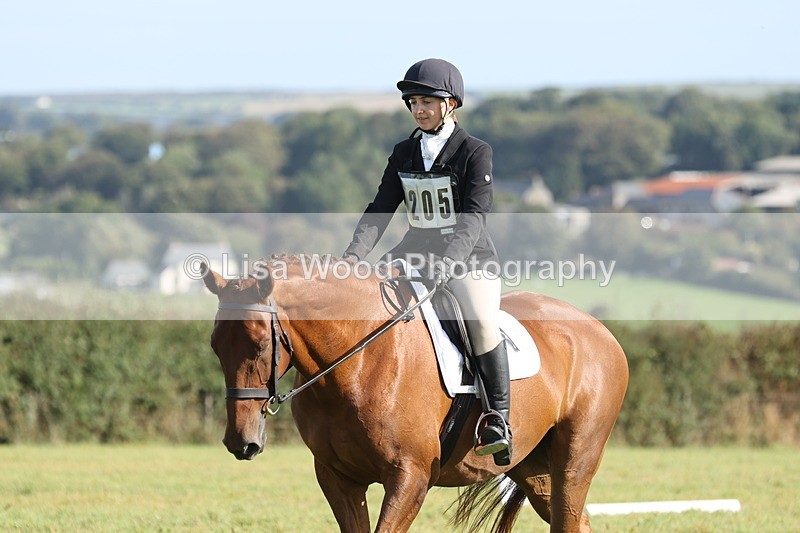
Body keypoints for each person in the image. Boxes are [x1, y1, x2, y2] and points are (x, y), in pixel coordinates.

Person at [343, 58, 512, 465]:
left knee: (481, 322)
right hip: (413, 253)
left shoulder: (475, 152)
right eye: (413, 102)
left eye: (427, 102)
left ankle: (498, 419)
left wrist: (449, 263)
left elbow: (474, 216)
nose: (419, 110)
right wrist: (352, 258)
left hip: (468, 260)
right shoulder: (404, 152)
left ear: (450, 104)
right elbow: (380, 209)